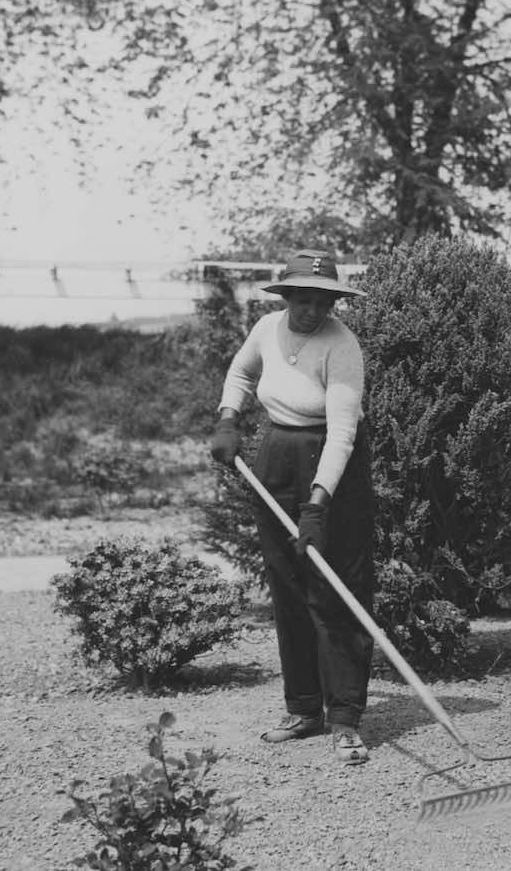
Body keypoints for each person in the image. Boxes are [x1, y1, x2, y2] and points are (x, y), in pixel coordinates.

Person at [208, 249, 377, 767]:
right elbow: (240, 374)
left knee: (337, 588)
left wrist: (319, 503)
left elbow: (343, 434)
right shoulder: (265, 329)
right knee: (288, 582)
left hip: (333, 466)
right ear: (287, 296)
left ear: (333, 301)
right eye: (302, 299)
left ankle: (345, 717)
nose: (311, 310)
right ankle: (304, 708)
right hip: (277, 455)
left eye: (322, 300)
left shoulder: (342, 347)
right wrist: (228, 419)